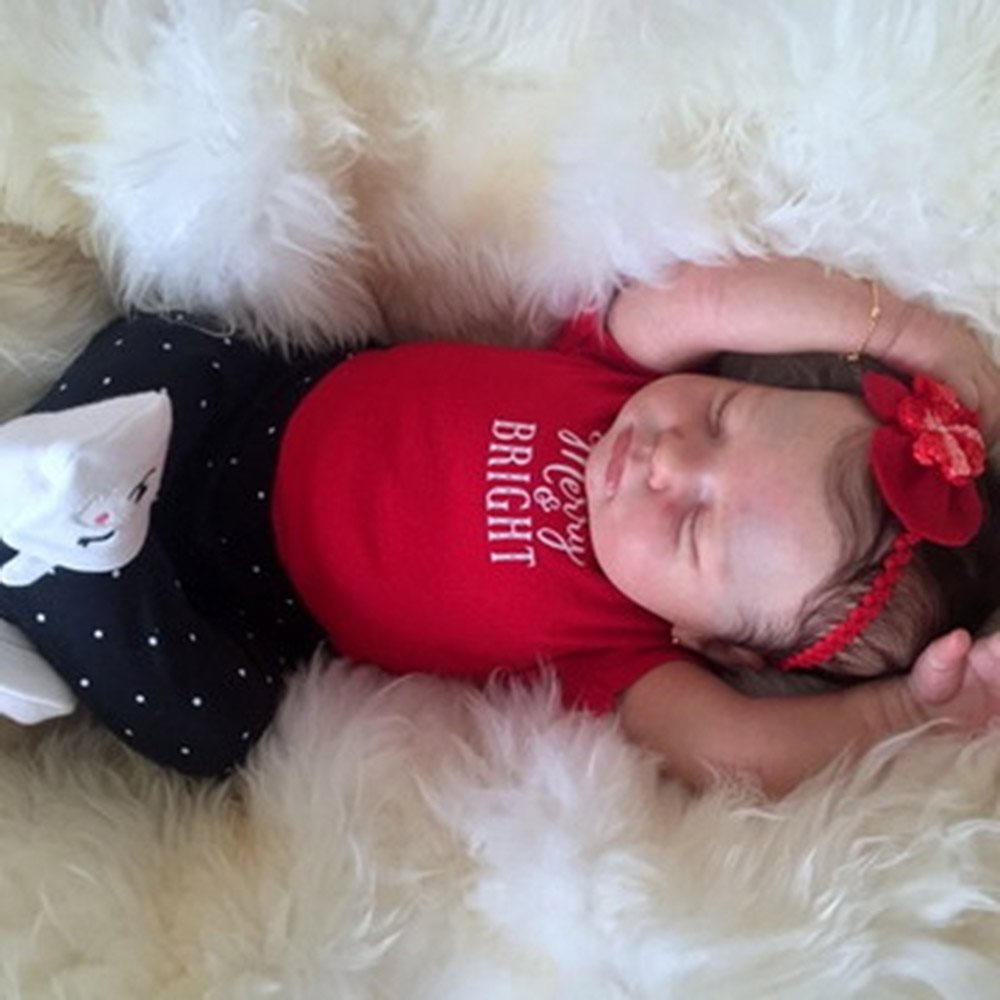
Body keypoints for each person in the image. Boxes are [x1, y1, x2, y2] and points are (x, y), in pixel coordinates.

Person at [0, 258, 997, 795]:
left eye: (694, 527)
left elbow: (741, 752)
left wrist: (902, 716)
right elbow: (712, 293)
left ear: (714, 641)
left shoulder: (622, 656)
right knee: (201, 305)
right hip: (251, 405)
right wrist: (909, 332)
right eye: (725, 414)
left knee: (216, 736)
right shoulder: (615, 368)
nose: (669, 459)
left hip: (235, 601)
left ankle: (57, 558)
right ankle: (53, 536)